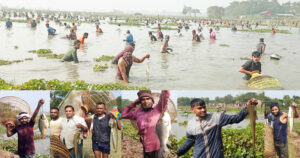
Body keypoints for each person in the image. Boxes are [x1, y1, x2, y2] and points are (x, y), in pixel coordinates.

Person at [177, 98, 257, 157]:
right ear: (192, 109)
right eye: (199, 108)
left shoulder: (216, 118)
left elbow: (236, 118)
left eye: (204, 107)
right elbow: (189, 141)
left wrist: (247, 107)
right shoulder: (190, 124)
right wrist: (177, 153)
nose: (203, 110)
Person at [122, 90, 170, 158]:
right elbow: (123, 115)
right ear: (140, 102)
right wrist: (133, 103)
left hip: (158, 147)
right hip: (146, 147)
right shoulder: (137, 112)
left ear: (152, 100)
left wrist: (165, 90)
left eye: (148, 99)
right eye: (143, 100)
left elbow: (165, 97)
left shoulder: (158, 109)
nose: (146, 101)